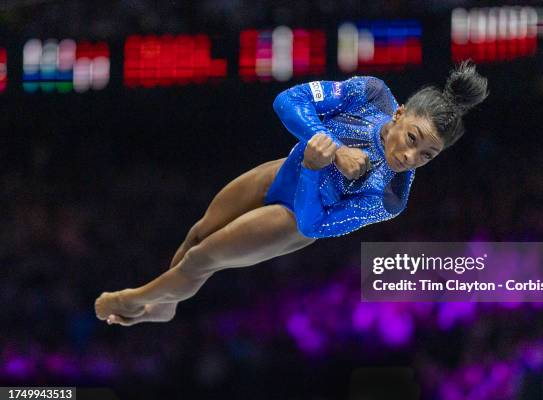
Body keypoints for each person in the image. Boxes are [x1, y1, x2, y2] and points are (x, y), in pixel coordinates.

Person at [94, 60, 489, 326]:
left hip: (293, 219)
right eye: (412, 138)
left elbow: (315, 223)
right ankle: (164, 306)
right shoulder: (371, 94)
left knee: (201, 258)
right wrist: (330, 145)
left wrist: (318, 168)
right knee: (195, 234)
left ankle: (133, 298)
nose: (409, 156)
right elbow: (288, 101)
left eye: (427, 155)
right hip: (282, 172)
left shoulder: (390, 194)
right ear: (400, 114)